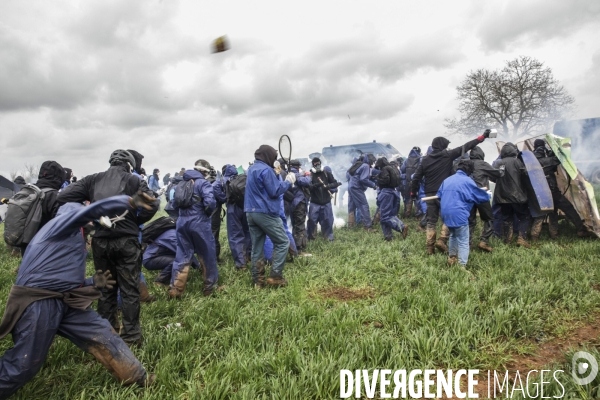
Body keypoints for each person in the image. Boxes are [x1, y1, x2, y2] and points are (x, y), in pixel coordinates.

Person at [0, 194, 156, 398]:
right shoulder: (60, 224)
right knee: (25, 364)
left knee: (103, 334)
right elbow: (89, 212)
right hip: (39, 301)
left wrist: (93, 283)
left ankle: (135, 376)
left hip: (66, 300)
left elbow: (61, 275)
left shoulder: (75, 239)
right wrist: (128, 202)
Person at [57, 150, 159, 346]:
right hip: (127, 241)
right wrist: (135, 220)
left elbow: (65, 196)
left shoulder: (92, 180)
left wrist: (92, 215)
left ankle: (107, 333)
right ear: (129, 164)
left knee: (105, 287)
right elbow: (152, 204)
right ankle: (131, 337)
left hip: (101, 241)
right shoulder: (134, 180)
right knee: (129, 290)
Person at [411, 130, 490, 255]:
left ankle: (430, 249)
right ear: (442, 145)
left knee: (431, 221)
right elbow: (466, 146)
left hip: (429, 194)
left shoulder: (425, 160)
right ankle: (442, 240)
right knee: (447, 218)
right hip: (445, 192)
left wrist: (412, 192)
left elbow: (416, 177)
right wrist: (482, 137)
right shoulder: (447, 155)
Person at [168, 160, 219, 298]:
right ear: (205, 172)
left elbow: (173, 204)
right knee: (207, 254)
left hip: (182, 222)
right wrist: (206, 215)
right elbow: (210, 203)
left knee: (182, 255)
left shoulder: (181, 183)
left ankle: (176, 289)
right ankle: (210, 287)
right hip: (199, 222)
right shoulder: (203, 183)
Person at [245, 145, 292, 288]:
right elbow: (274, 191)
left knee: (257, 247)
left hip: (251, 212)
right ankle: (275, 276)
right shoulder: (266, 170)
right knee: (283, 242)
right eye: (273, 156)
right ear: (268, 156)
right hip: (265, 212)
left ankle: (257, 281)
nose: (275, 159)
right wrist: (288, 182)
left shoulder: (252, 169)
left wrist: (276, 174)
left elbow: (262, 187)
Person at [530, 139, 588, 240]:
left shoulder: (529, 161)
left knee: (541, 214)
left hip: (538, 194)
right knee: (568, 209)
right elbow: (559, 159)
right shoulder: (548, 159)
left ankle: (535, 236)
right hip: (553, 192)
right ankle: (580, 230)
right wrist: (554, 150)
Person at [437, 159, 491, 267]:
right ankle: (462, 266)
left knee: (453, 235)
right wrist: (487, 194)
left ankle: (452, 258)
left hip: (445, 213)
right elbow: (479, 196)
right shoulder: (468, 181)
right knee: (463, 240)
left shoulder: (447, 180)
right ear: (470, 170)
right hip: (459, 214)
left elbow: (439, 195)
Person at [16, 161, 65, 256]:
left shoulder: (27, 192)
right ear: (59, 178)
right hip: (46, 249)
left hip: (26, 246)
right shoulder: (56, 197)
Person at [214, 165, 252, 270]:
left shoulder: (221, 181)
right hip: (245, 207)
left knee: (235, 235)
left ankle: (241, 263)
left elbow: (215, 189)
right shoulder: (243, 178)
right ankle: (249, 256)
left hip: (233, 209)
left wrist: (225, 199)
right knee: (247, 232)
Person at [493, 143, 530, 247]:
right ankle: (521, 238)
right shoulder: (518, 162)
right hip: (518, 196)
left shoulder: (498, 163)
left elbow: (492, 177)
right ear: (514, 151)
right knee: (523, 217)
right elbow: (525, 176)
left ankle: (507, 240)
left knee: (507, 218)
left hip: (502, 197)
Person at [468, 146, 504, 252]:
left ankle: (468, 245)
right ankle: (484, 241)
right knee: (489, 219)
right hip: (481, 195)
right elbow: (498, 174)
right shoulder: (482, 164)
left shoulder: (466, 163)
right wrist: (502, 167)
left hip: (468, 196)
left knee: (470, 221)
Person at [375, 157, 408, 241]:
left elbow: (385, 180)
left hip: (386, 193)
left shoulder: (385, 169)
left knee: (385, 217)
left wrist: (377, 178)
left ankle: (401, 227)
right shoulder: (393, 168)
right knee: (389, 215)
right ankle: (388, 237)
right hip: (393, 192)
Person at [307, 158, 340, 241]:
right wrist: (317, 185)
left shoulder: (326, 174)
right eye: (315, 164)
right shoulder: (310, 175)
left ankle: (328, 237)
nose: (317, 165)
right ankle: (311, 238)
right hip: (315, 203)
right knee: (312, 221)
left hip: (326, 202)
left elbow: (335, 183)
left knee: (327, 221)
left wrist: (329, 186)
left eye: (318, 163)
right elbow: (308, 188)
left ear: (320, 163)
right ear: (312, 165)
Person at [348, 154, 376, 231]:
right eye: (372, 161)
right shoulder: (366, 166)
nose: (373, 163)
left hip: (351, 186)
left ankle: (351, 225)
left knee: (352, 206)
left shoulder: (359, 165)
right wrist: (374, 185)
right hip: (356, 187)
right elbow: (363, 179)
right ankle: (367, 227)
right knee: (363, 205)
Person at [288, 159, 311, 253]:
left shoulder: (289, 174)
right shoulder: (295, 174)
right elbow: (306, 182)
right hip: (299, 203)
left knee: (296, 225)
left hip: (293, 203)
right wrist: (308, 175)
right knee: (299, 226)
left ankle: (296, 246)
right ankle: (298, 248)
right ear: (297, 167)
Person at [401, 147, 422, 218]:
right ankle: (418, 216)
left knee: (407, 198)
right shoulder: (420, 160)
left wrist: (406, 176)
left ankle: (407, 215)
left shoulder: (406, 160)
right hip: (417, 183)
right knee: (417, 198)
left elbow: (402, 170)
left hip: (407, 183)